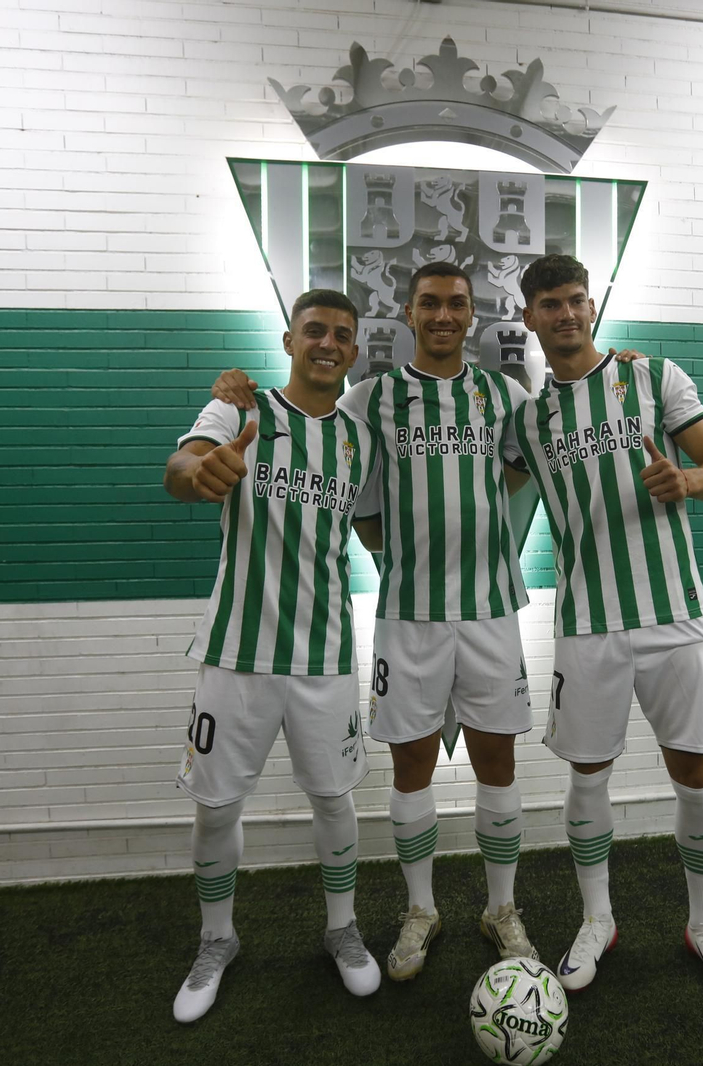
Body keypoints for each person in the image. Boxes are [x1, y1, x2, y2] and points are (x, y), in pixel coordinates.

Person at [212, 262, 542, 981]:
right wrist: (235, 388)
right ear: (408, 313)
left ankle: (501, 908)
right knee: (412, 765)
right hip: (408, 616)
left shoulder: (503, 394)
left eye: (457, 304)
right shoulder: (371, 399)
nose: (445, 315)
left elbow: (518, 469)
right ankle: (420, 909)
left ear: (473, 316)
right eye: (430, 303)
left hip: (491, 610)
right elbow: (354, 495)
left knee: (498, 762)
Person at [511, 254, 703, 1005]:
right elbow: (488, 489)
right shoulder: (527, 418)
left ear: (593, 306)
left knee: (697, 773)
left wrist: (687, 480)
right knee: (588, 775)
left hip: (673, 613)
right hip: (588, 623)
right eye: (550, 304)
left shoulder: (655, 379)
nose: (566, 314)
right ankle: (597, 920)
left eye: (576, 300)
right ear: (531, 318)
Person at [162, 288, 384, 1023]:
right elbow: (182, 467)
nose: (327, 343)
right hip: (236, 653)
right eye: (314, 330)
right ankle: (217, 939)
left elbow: (376, 533)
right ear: (289, 340)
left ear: (353, 352)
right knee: (217, 803)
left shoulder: (357, 440)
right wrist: (202, 474)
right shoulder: (242, 410)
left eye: (341, 335)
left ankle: (341, 929)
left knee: (332, 797)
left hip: (324, 655)